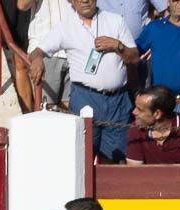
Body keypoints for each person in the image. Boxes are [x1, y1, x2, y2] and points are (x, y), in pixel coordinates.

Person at [29, 0, 139, 164]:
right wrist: (37, 59)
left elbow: (134, 57)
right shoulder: (66, 26)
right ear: (71, 2)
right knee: (82, 157)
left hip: (118, 101)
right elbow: (38, 50)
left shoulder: (114, 20)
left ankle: (107, 190)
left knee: (115, 160)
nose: (85, 0)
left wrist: (118, 46)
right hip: (85, 98)